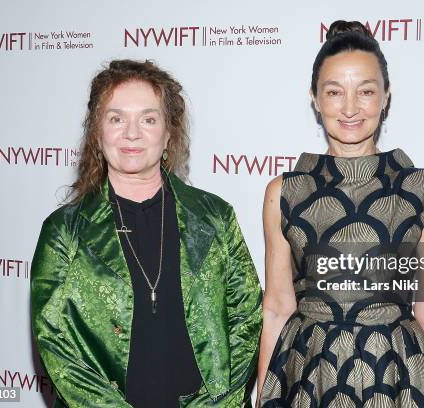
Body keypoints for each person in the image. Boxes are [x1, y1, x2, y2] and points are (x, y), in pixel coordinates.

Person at [31, 59, 263, 407]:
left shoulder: (214, 217)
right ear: (97, 131)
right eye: (116, 118)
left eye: (148, 119)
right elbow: (54, 340)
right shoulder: (64, 230)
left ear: (169, 132)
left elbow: (246, 317)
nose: (132, 133)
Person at [256, 21, 424, 407]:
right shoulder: (283, 192)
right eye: (334, 92)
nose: (350, 108)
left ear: (386, 97)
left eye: (366, 91)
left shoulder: (422, 190)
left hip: (397, 372)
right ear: (315, 98)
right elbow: (277, 307)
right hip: (309, 373)